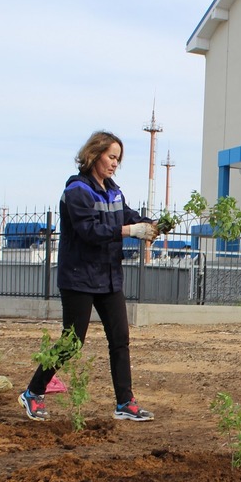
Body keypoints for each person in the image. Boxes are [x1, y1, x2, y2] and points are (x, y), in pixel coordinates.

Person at [19, 130, 157, 423]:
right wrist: (130, 231)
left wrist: (153, 225)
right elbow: (89, 232)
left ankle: (125, 402)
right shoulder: (76, 191)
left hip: (108, 278)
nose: (115, 164)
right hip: (79, 278)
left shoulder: (114, 191)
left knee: (120, 339)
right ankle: (32, 392)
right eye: (111, 157)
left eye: (118, 159)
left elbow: (128, 215)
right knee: (71, 343)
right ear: (94, 155)